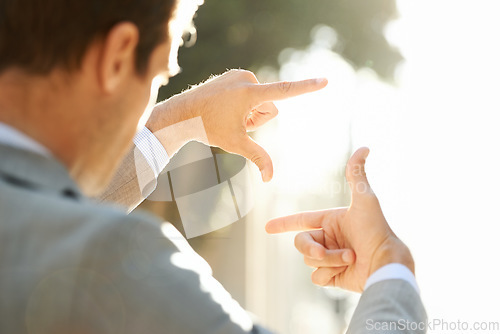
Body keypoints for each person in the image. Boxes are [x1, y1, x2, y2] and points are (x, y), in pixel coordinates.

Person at [0, 0, 426, 333]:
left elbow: (43, 207)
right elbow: (64, 229)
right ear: (118, 57)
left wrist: (178, 121)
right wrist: (388, 269)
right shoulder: (110, 260)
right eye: (160, 78)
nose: (154, 95)